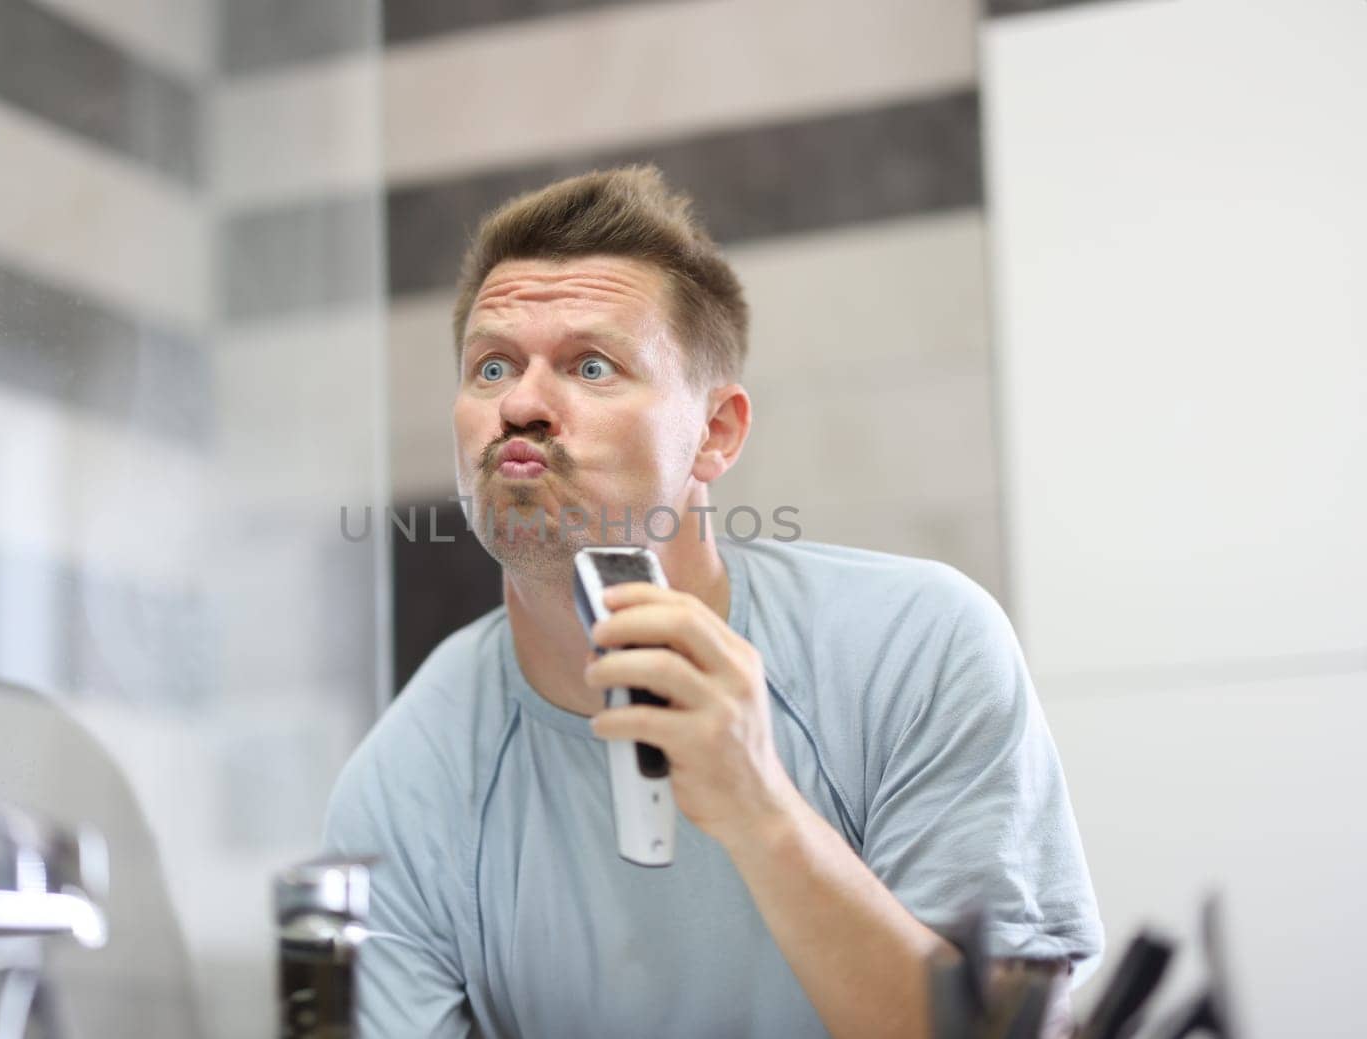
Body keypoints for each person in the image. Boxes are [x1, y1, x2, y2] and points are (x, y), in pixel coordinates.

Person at [322, 165, 1102, 1038]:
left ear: (716, 432)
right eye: (492, 364)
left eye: (591, 364)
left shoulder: (919, 648)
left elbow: (1020, 1033)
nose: (521, 403)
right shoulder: (402, 779)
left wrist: (759, 809)